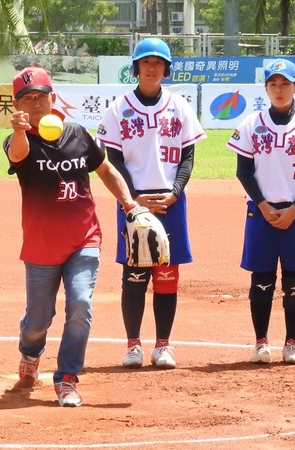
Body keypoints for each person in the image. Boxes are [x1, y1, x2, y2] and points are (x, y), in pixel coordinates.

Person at [4, 66, 137, 407]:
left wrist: (129, 205)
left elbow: (106, 170)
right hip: (41, 245)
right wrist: (19, 131)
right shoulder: (19, 139)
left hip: (84, 239)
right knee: (38, 321)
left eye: (40, 96)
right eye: (26, 98)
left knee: (80, 305)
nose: (35, 104)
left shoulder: (77, 132)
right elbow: (16, 155)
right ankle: (30, 354)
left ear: (53, 97)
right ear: (17, 104)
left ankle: (66, 378)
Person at [97, 37, 206, 370]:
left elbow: (188, 155)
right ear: (136, 68)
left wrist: (175, 191)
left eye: (159, 63)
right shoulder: (120, 108)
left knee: (167, 275)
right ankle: (133, 346)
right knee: (135, 275)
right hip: (134, 202)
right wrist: (132, 198)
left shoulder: (179, 106)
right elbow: (112, 157)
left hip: (170, 200)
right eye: (146, 62)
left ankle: (163, 346)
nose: (153, 67)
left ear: (167, 69)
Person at [226, 58, 295, 365]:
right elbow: (243, 171)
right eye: (273, 84)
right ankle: (261, 343)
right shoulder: (251, 123)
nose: (279, 89)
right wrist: (263, 204)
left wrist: (294, 208)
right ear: (265, 88)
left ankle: (292, 343)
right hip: (261, 211)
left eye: (285, 84)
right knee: (262, 277)